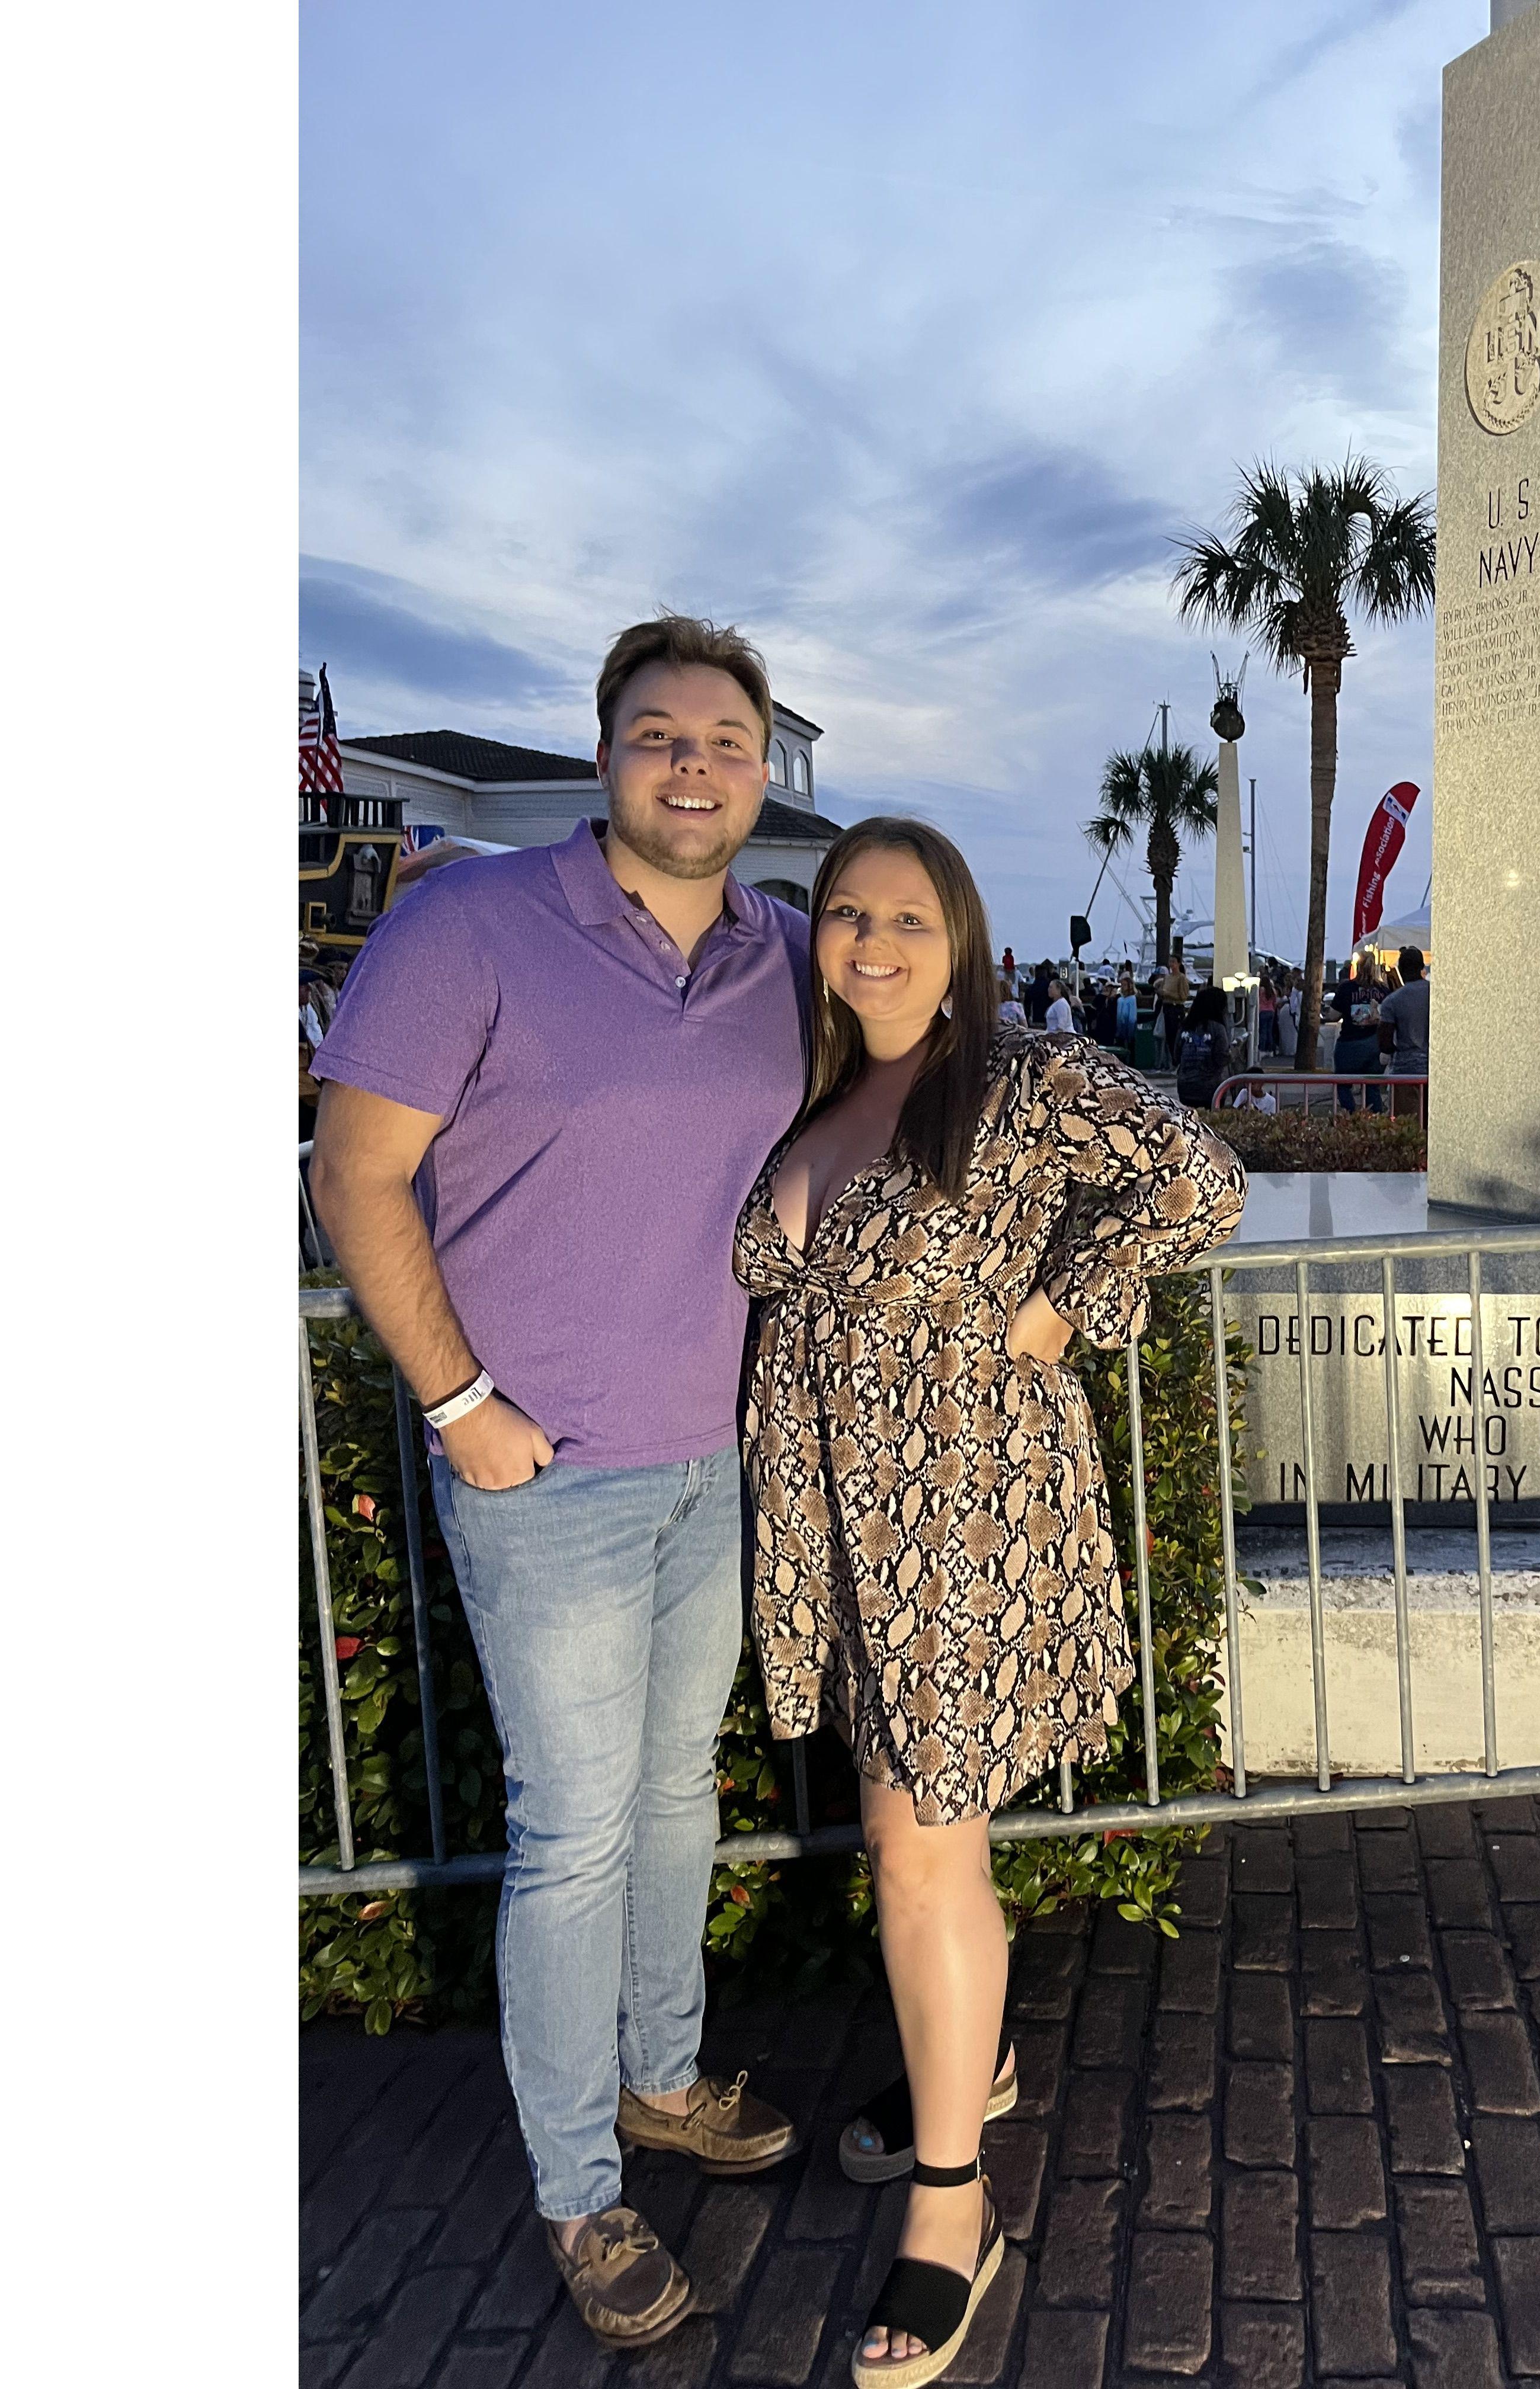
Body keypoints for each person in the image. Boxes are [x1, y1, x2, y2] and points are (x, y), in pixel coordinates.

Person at [308, 616, 809, 2353]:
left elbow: (922, 1072)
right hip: (544, 1477)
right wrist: (459, 1403)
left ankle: (663, 2080)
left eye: (725, 740)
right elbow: (353, 1174)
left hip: (714, 1459)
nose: (694, 764)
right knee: (575, 1831)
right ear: (604, 756)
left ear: (763, 771)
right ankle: (580, 2190)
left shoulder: (783, 951)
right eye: (660, 733)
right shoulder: (468, 926)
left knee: (675, 1799)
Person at [737, 819, 1244, 2382]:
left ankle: (952, 2208)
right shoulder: (818, 1094)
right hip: (837, 1524)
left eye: (909, 916)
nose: (873, 941)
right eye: (847, 912)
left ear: (959, 939)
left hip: (963, 1516)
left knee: (916, 1849)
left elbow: (1203, 1183)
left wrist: (1063, 1304)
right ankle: (977, 2059)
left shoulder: (1022, 1078)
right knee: (906, 1833)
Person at [1331, 963, 1385, 1112]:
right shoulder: (1383, 990)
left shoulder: (1346, 988)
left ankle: (1351, 1115)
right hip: (1375, 1044)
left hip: (1349, 1043)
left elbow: (1333, 1015)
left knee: (1343, 1084)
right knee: (1372, 1086)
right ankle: (1375, 1118)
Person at [1379, 946, 1430, 1100]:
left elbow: (1385, 1044)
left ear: (1400, 970)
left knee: (1405, 1114)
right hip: (1435, 1069)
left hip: (1405, 1071)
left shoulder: (1392, 1001)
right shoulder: (1437, 994)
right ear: (1422, 967)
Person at [1174, 981, 1234, 1108]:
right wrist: (1233, 1054)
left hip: (1185, 1086)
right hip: (1212, 1088)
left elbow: (1177, 1055)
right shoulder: (1218, 1028)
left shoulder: (1185, 1026)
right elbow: (1221, 1058)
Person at [1155, 951, 1192, 1061]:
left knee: (1176, 1036)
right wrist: (1160, 992)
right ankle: (1172, 1060)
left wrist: (1168, 994)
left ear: (1179, 964)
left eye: (1174, 962)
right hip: (1167, 1008)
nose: (1171, 964)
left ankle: (1177, 1060)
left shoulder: (1181, 978)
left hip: (1176, 1008)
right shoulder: (1167, 977)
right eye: (1170, 962)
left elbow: (1183, 996)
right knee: (1169, 1036)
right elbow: (1162, 990)